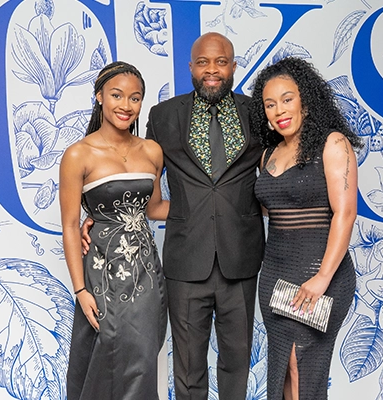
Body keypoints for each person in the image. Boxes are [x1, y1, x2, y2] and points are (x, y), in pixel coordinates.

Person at [82, 32, 265, 399]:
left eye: (221, 62)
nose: (212, 70)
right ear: (190, 67)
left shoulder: (257, 113)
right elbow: (135, 170)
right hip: (185, 261)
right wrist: (105, 216)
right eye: (203, 62)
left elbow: (279, 171)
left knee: (237, 362)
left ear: (233, 66)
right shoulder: (163, 116)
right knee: (187, 366)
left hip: (241, 257)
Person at [249, 57, 363, 400]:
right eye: (270, 104)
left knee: (303, 363)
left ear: (306, 101)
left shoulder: (333, 144)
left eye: (287, 99)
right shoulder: (267, 154)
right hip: (275, 276)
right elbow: (273, 208)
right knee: (283, 367)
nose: (279, 110)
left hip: (319, 274)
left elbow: (345, 214)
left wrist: (323, 278)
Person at [60, 61, 168, 400]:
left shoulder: (152, 151)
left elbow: (154, 209)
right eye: (117, 95)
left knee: (142, 359)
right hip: (102, 274)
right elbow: (68, 226)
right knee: (104, 356)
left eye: (135, 98)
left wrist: (210, 207)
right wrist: (80, 290)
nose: (126, 105)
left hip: (146, 276)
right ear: (99, 97)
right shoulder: (78, 154)